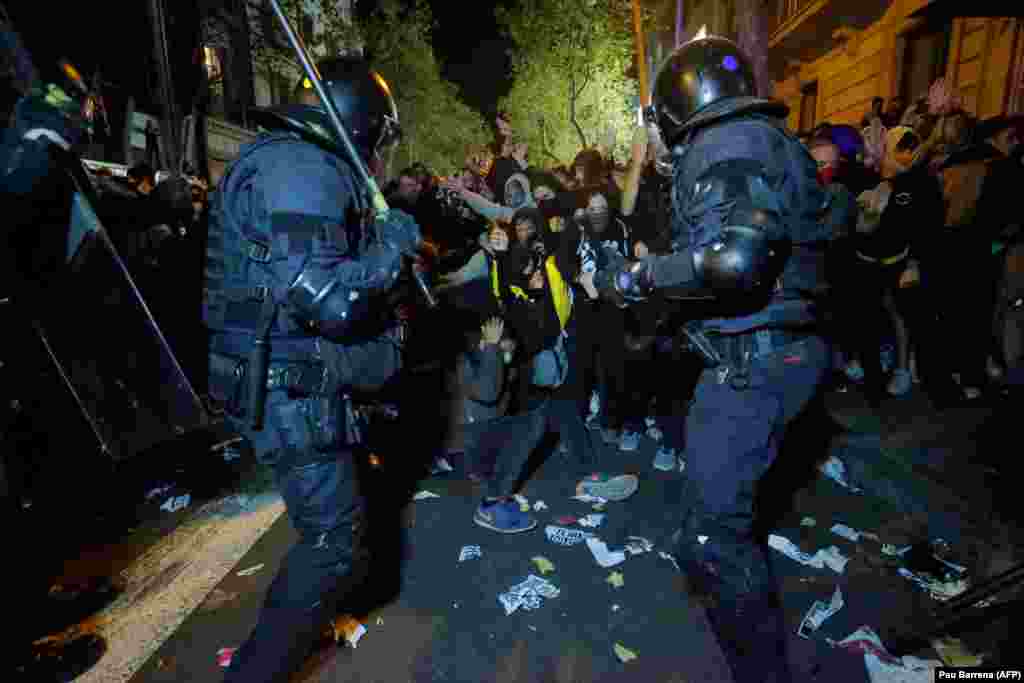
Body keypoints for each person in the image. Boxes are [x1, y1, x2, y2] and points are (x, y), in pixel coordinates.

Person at [593, 34, 833, 682]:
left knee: (710, 539)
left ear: (676, 112)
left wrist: (640, 280)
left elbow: (735, 259)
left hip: (757, 369)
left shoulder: (723, 144)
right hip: (781, 352)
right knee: (718, 523)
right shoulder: (766, 138)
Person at [202, 58, 419, 683]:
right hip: (288, 386)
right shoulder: (299, 168)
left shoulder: (294, 163)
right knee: (332, 544)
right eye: (377, 138)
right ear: (357, 123)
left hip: (290, 376)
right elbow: (332, 300)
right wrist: (390, 254)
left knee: (339, 534)